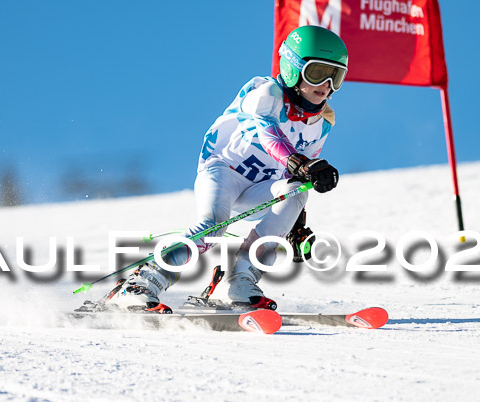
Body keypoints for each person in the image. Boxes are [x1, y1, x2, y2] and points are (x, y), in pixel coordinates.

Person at [105, 25, 349, 313]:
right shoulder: (266, 92)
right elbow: (268, 133)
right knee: (212, 227)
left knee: (296, 190)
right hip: (223, 171)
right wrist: (302, 163)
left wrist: (296, 226)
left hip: (259, 188)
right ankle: (142, 282)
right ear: (293, 68)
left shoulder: (324, 121)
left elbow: (296, 176)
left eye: (337, 76)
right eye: (318, 73)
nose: (327, 85)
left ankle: (238, 282)